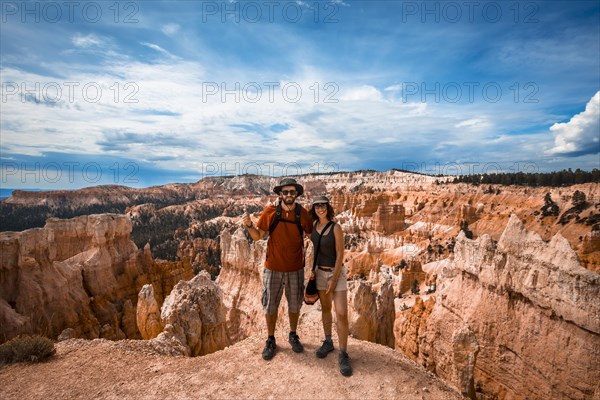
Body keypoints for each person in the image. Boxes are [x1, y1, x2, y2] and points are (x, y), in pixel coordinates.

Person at [241, 177, 313, 360]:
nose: (289, 195)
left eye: (292, 192)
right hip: (272, 267)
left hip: (296, 268)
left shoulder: (302, 214)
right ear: (280, 194)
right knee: (270, 304)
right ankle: (271, 339)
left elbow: (312, 236)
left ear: (296, 194)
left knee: (294, 304)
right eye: (285, 192)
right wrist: (249, 225)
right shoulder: (271, 212)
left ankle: (293, 334)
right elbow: (258, 236)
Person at [310, 194, 352, 376]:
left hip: (336, 274)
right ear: (314, 209)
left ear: (328, 208)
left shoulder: (336, 228)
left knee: (342, 313)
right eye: (317, 206)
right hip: (319, 273)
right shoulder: (313, 227)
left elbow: (340, 254)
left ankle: (343, 353)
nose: (320, 209)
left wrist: (333, 279)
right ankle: (328, 341)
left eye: (323, 206)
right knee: (326, 309)